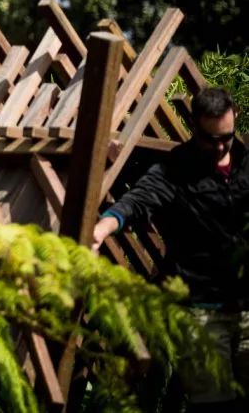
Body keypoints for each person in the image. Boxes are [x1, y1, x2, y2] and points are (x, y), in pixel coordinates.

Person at [90, 87, 246, 411]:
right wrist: (102, 229)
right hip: (202, 311)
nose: (219, 147)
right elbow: (135, 202)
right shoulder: (175, 170)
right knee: (215, 404)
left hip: (247, 305)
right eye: (210, 139)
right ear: (194, 126)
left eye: (226, 138)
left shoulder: (247, 164)